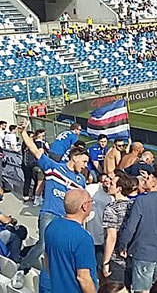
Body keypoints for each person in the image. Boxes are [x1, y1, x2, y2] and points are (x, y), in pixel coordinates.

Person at [13, 122, 88, 290]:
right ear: (74, 157)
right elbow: (35, 150)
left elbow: (81, 205)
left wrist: (83, 228)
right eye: (83, 161)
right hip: (50, 213)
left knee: (59, 251)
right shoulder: (54, 169)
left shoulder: (80, 180)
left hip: (67, 220)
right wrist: (23, 132)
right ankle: (22, 270)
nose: (84, 166)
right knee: (45, 244)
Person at [118, 172, 157, 293]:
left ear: (154, 183)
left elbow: (130, 227)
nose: (145, 180)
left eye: (148, 178)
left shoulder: (141, 201)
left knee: (142, 289)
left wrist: (123, 245)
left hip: (143, 253)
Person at [44, 189, 98, 293]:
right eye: (91, 202)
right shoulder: (83, 237)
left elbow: (47, 261)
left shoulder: (52, 226)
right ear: (84, 206)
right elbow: (83, 277)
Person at [103, 174, 138, 284]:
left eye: (112, 184)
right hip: (133, 255)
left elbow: (111, 237)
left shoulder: (111, 208)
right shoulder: (134, 205)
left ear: (119, 189)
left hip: (116, 258)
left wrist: (106, 262)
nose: (108, 185)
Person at [85, 173, 114, 278]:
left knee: (100, 270)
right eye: (107, 178)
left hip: (102, 239)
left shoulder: (113, 197)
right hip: (87, 234)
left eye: (111, 181)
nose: (108, 182)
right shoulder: (90, 188)